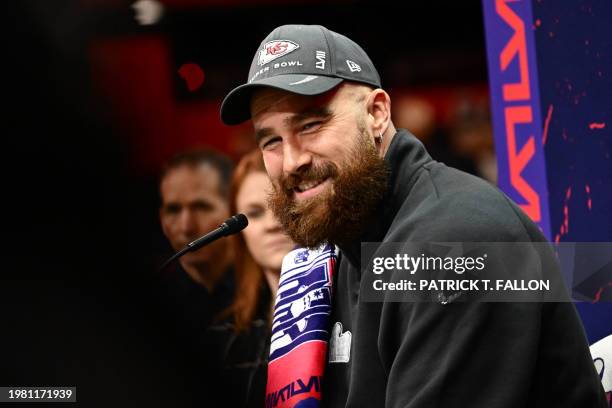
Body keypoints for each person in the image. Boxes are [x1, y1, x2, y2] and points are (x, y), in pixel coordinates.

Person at [218, 24, 608, 407]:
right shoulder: (351, 237)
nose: (292, 161)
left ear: (376, 113)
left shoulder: (455, 240)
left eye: (312, 124)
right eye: (271, 140)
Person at [216, 149, 296, 406]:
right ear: (240, 232)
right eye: (255, 213)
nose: (272, 223)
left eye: (283, 205)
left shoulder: (356, 306)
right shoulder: (226, 335)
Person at [158, 149, 236, 404]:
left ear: (234, 208)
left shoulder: (272, 285)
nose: (186, 226)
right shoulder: (151, 298)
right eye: (173, 209)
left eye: (201, 207)